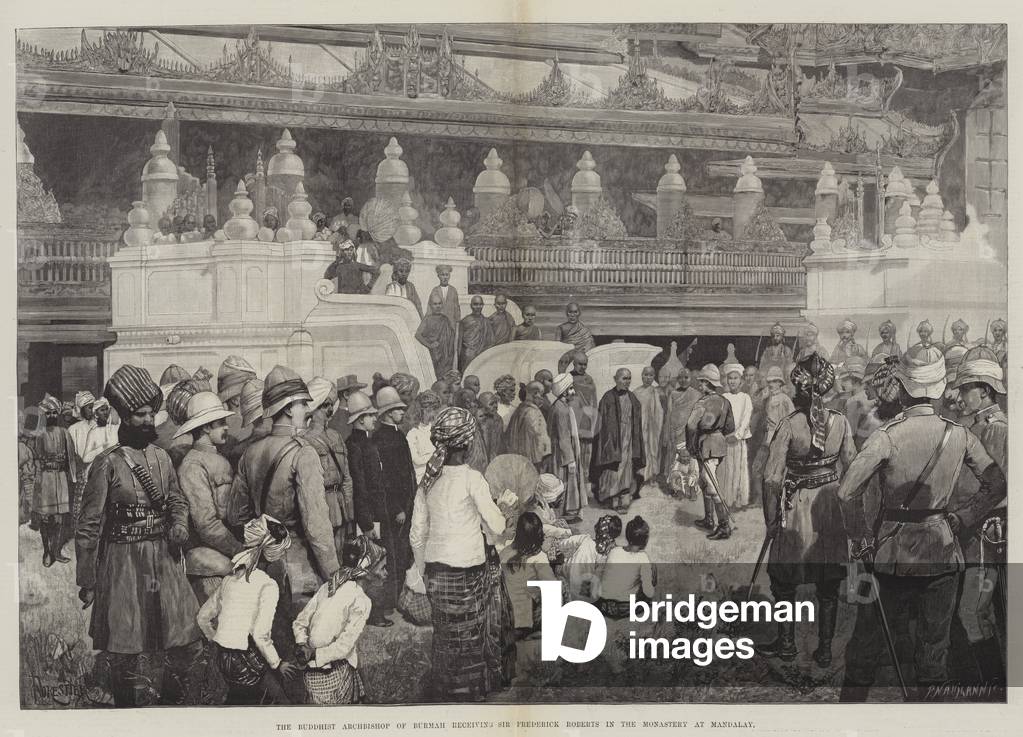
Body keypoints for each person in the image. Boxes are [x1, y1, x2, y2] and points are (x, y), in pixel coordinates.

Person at [836, 347, 1006, 702]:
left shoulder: (888, 435)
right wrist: (963, 518)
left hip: (890, 556)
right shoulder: (959, 434)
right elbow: (997, 483)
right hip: (943, 553)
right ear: (941, 387)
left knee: (866, 646)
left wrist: (862, 537)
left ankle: (847, 716)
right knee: (933, 654)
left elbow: (846, 491)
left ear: (902, 387)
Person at [76, 365, 202, 706]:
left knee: (175, 636)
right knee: (125, 642)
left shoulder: (162, 456)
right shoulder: (107, 464)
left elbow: (176, 499)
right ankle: (126, 710)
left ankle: (171, 706)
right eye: (139, 415)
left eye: (151, 414)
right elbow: (88, 525)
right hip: (123, 563)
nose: (148, 421)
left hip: (162, 559)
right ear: (123, 416)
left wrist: (178, 524)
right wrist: (88, 579)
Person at [756, 353, 856, 667]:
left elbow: (772, 478)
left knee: (785, 581)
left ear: (799, 389)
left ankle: (786, 644)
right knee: (828, 582)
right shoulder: (840, 422)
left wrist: (771, 520)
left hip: (796, 506)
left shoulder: (788, 425)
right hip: (829, 505)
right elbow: (853, 470)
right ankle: (824, 650)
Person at [409, 407, 512, 701]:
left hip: (436, 573)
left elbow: (417, 534)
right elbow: (496, 526)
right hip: (469, 572)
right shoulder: (472, 479)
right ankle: (473, 692)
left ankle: (444, 689)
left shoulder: (427, 482)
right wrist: (503, 509)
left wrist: (425, 571)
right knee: (471, 633)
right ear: (467, 444)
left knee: (445, 633)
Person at [229, 366, 340, 607]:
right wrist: (334, 574)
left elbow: (236, 516)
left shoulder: (250, 452)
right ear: (289, 408)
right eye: (302, 404)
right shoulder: (304, 453)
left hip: (259, 566)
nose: (306, 410)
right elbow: (316, 525)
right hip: (297, 568)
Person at [950, 347, 1008, 688]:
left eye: (965, 389)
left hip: (988, 532)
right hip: (972, 531)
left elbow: (1000, 488)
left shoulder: (998, 430)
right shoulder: (974, 425)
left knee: (973, 611)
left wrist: (964, 515)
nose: (960, 397)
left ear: (984, 390)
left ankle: (994, 685)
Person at [197, 514, 298, 705]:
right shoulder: (267, 585)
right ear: (273, 554)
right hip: (244, 661)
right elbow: (260, 634)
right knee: (284, 702)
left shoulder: (229, 579)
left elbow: (202, 617)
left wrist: (217, 639)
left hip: (222, 658)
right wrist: (278, 664)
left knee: (240, 699)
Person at [175, 391, 244, 604]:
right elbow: (206, 524)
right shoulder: (192, 466)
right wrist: (239, 551)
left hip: (226, 551)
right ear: (205, 427)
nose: (227, 427)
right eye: (221, 423)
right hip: (209, 562)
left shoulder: (216, 457)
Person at [293, 537, 379, 705]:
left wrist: (302, 643)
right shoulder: (361, 600)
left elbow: (300, 622)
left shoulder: (328, 586)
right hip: (331, 676)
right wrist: (313, 653)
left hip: (311, 673)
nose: (386, 574)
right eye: (382, 568)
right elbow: (344, 647)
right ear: (368, 571)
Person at [343, 391, 390, 628]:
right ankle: (373, 614)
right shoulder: (356, 446)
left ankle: (373, 612)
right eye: (371, 415)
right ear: (361, 419)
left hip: (375, 514)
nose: (374, 419)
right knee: (372, 565)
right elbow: (360, 487)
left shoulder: (366, 442)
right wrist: (368, 523)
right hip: (368, 517)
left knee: (374, 563)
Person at [371, 387, 417, 623]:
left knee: (402, 552)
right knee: (393, 554)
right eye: (398, 409)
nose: (402, 412)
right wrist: (398, 507)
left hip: (404, 505)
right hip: (394, 509)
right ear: (388, 413)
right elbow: (387, 478)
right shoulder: (383, 438)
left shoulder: (396, 434)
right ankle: (389, 601)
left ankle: (397, 598)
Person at [304, 377, 356, 560]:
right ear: (314, 407)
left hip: (340, 505)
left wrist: (349, 510)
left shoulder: (336, 436)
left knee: (341, 557)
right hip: (320, 505)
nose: (329, 410)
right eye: (324, 405)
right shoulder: (304, 439)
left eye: (331, 404)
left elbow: (347, 477)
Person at [686, 365, 735, 539]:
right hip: (719, 444)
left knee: (711, 484)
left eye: (702, 382)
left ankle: (724, 526)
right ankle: (708, 519)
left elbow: (691, 425)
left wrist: (691, 446)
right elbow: (730, 428)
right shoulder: (725, 402)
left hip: (705, 445)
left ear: (707, 383)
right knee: (705, 482)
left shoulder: (702, 402)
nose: (700, 385)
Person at [32, 394, 77, 567]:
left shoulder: (65, 433)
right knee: (46, 517)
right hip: (46, 479)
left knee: (59, 518)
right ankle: (47, 551)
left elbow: (71, 458)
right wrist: (37, 479)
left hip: (61, 479)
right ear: (44, 415)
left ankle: (56, 551)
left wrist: (72, 478)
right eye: (48, 413)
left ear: (57, 414)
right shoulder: (40, 435)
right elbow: (37, 458)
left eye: (53, 413)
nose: (51, 416)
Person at [593, 369, 644, 513]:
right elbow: (601, 422)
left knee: (626, 467)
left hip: (628, 438)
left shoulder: (632, 397)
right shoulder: (608, 397)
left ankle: (624, 496)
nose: (627, 381)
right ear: (616, 379)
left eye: (629, 378)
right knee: (613, 469)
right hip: (612, 440)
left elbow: (636, 416)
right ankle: (613, 498)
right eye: (624, 378)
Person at [500, 511, 558, 638]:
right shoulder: (539, 558)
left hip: (505, 618)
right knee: (561, 585)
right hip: (524, 623)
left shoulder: (505, 552)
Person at [548, 372, 584, 524]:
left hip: (561, 450)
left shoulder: (559, 406)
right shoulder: (561, 409)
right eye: (570, 389)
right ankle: (564, 512)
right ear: (563, 392)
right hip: (563, 453)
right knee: (565, 479)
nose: (573, 392)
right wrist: (570, 460)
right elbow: (563, 437)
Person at [720, 362, 753, 509]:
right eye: (730, 378)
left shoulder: (745, 398)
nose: (732, 381)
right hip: (726, 440)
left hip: (738, 440)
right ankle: (728, 498)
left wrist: (738, 435)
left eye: (735, 378)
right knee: (727, 468)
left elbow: (746, 418)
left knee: (739, 468)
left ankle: (739, 499)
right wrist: (725, 435)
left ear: (741, 380)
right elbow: (720, 417)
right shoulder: (724, 397)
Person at [660, 368, 703, 478]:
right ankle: (673, 485)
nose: (683, 380)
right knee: (673, 459)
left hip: (689, 433)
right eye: (680, 378)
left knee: (688, 460)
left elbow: (699, 416)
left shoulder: (697, 395)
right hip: (674, 432)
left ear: (691, 379)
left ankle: (690, 485)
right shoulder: (673, 394)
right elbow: (668, 414)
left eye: (686, 377)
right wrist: (667, 433)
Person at [503, 381, 552, 472]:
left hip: (518, 458)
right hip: (533, 459)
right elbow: (539, 436)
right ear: (535, 394)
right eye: (541, 395)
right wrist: (546, 454)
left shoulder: (519, 410)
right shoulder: (533, 412)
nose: (542, 399)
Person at [569, 351, 600, 494]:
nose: (583, 367)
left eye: (585, 364)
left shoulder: (590, 379)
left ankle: (584, 490)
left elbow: (594, 401)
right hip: (573, 422)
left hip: (587, 422)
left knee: (586, 457)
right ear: (574, 364)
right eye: (580, 364)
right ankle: (573, 490)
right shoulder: (568, 378)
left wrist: (594, 423)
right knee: (574, 457)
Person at [633, 366, 665, 488]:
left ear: (653, 377)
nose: (648, 378)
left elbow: (659, 412)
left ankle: (652, 476)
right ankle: (642, 477)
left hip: (652, 427)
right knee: (642, 450)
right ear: (641, 375)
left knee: (652, 450)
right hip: (640, 426)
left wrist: (655, 424)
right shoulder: (636, 391)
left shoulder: (655, 392)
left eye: (651, 375)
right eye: (646, 375)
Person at [417, 292, 457, 381]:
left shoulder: (445, 319)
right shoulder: (427, 319)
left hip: (446, 355)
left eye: (439, 303)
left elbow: (451, 336)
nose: (438, 306)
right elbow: (418, 335)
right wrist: (430, 345)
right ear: (431, 305)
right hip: (434, 354)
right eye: (435, 304)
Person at [407, 391, 443, 482]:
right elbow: (416, 460)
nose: (432, 414)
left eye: (434, 410)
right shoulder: (413, 433)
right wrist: (436, 455)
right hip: (422, 477)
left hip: (439, 475)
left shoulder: (437, 429)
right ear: (420, 411)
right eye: (428, 410)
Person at [328, 374, 369, 440]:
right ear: (346, 395)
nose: (359, 395)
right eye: (356, 392)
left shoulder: (336, 419)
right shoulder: (342, 420)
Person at [459, 295, 493, 370]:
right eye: (475, 304)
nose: (478, 307)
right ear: (471, 306)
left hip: (482, 355)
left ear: (483, 305)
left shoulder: (486, 322)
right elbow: (459, 342)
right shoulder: (465, 321)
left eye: (480, 304)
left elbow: (490, 342)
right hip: (468, 355)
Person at [428, 264, 461, 330]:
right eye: (442, 275)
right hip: (438, 325)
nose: (445, 277)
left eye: (447, 275)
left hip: (451, 325)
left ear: (449, 276)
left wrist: (457, 326)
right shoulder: (435, 290)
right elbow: (429, 309)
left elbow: (457, 309)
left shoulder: (453, 290)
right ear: (438, 276)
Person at [68, 390, 97, 461]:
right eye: (89, 408)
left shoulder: (98, 426)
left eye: (94, 407)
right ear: (82, 409)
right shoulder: (73, 429)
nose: (92, 410)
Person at [477, 391, 505, 463]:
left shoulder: (498, 420)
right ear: (482, 406)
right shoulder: (479, 421)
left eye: (496, 403)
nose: (495, 406)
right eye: (491, 404)